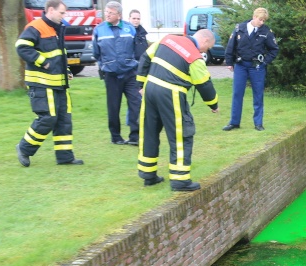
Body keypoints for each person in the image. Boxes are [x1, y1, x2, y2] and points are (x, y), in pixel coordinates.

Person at [135, 29, 219, 191]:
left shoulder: (167, 39)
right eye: (207, 48)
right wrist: (213, 105)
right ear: (205, 41)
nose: (205, 51)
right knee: (181, 136)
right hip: (171, 94)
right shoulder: (194, 57)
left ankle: (148, 175)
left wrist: (141, 83)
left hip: (150, 89)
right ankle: (180, 180)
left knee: (149, 132)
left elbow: (145, 57)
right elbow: (204, 84)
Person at [14, 0, 83, 167]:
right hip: (42, 84)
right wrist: (42, 61)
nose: (63, 16)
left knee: (64, 121)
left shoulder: (56, 28)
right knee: (48, 118)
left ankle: (65, 157)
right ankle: (24, 148)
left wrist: (66, 71)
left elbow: (59, 55)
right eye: (61, 13)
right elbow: (21, 46)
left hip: (59, 84)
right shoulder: (36, 27)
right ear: (50, 10)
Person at [222, 7, 279, 132]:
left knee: (258, 95)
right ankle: (234, 122)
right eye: (260, 19)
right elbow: (231, 46)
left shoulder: (266, 31)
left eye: (264, 20)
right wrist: (229, 62)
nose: (262, 22)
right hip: (241, 65)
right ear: (254, 17)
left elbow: (274, 49)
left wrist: (264, 62)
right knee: (237, 94)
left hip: (257, 67)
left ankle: (258, 123)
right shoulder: (239, 28)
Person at [92, 1, 141, 145]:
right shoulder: (99, 30)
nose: (107, 15)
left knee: (135, 104)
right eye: (106, 12)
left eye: (110, 13)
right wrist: (105, 65)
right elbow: (96, 52)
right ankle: (116, 137)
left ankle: (135, 136)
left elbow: (136, 49)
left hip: (130, 73)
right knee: (113, 107)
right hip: (111, 75)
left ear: (119, 15)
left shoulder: (129, 28)